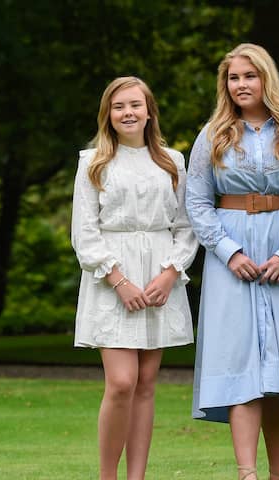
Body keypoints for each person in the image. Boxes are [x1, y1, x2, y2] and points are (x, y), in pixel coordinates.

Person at [186, 43, 279, 480]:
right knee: (242, 365)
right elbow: (196, 200)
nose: (241, 85)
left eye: (249, 76)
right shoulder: (212, 133)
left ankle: (278, 475)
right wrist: (228, 252)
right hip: (231, 255)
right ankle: (246, 473)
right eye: (233, 78)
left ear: (265, 79)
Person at [71, 76, 198, 480]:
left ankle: (136, 477)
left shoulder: (172, 160)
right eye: (119, 106)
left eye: (135, 105)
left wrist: (171, 272)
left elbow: (186, 224)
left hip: (160, 278)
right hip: (113, 276)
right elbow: (84, 231)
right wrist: (118, 279)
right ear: (108, 114)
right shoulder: (92, 162)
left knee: (145, 384)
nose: (128, 113)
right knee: (122, 381)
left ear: (149, 111)